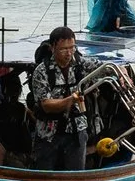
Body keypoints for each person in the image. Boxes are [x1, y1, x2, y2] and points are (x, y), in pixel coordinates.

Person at [27, 27, 93, 170]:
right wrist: (69, 101)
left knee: (76, 175)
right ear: (52, 48)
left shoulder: (81, 64)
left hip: (76, 129)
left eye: (72, 48)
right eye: (63, 49)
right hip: (48, 133)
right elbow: (46, 104)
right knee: (44, 174)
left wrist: (121, 72)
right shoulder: (41, 71)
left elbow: (103, 68)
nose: (69, 53)